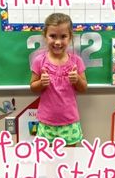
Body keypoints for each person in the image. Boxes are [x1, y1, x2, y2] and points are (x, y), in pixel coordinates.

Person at [30, 13, 87, 146]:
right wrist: (41, 83)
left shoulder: (76, 61)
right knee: (46, 161)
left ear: (70, 37)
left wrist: (77, 80)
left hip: (69, 122)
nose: (57, 42)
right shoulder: (39, 61)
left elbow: (83, 88)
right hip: (46, 122)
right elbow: (32, 87)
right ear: (45, 36)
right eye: (53, 36)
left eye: (63, 36)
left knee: (69, 161)